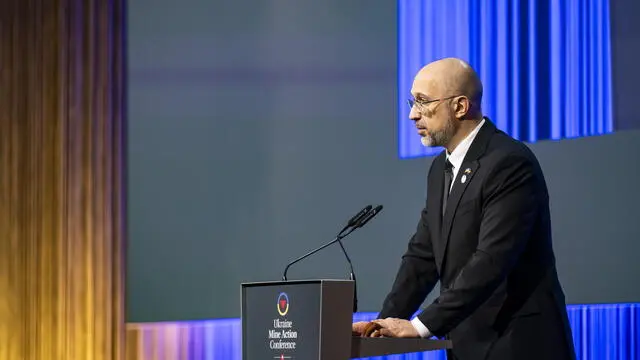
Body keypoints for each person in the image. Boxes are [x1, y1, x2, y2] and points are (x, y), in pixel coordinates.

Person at [352, 58, 576, 360]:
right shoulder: (439, 168)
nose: (411, 114)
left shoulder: (508, 162)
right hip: (468, 345)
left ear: (459, 107)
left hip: (518, 343)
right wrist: (382, 323)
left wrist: (420, 327)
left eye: (423, 102)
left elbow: (491, 260)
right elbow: (424, 256)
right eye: (412, 101)